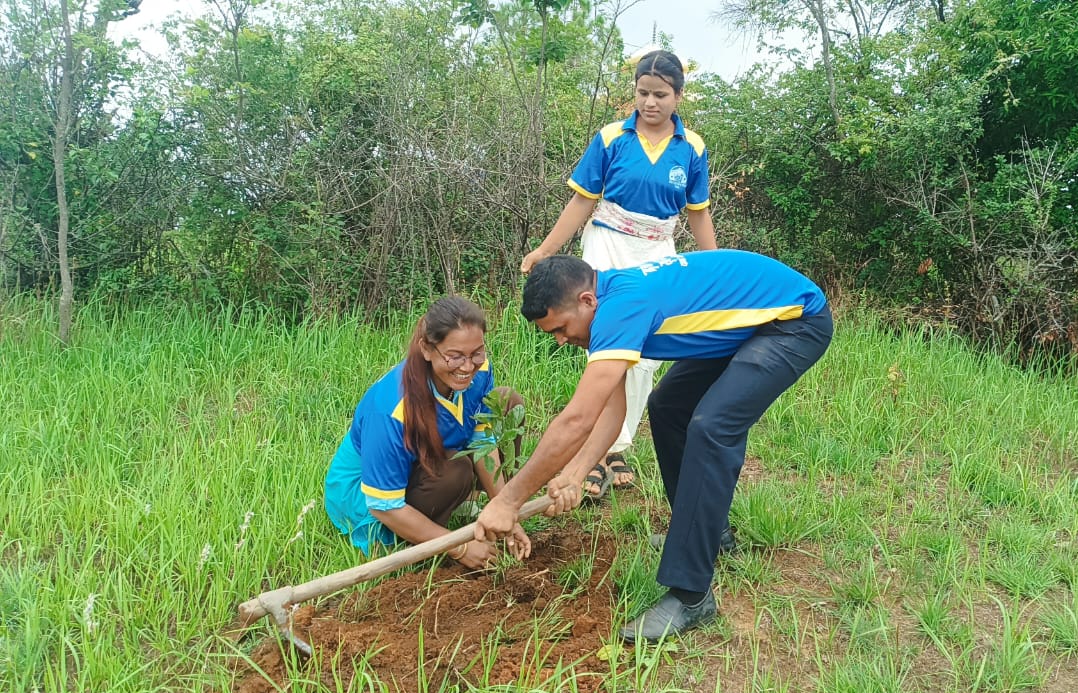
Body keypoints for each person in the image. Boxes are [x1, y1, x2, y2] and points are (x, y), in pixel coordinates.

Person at [475, 250, 832, 642]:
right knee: (668, 407)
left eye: (560, 328)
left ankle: (692, 595)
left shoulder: (620, 309)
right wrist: (575, 473)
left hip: (793, 322)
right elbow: (612, 410)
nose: (560, 341)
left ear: (586, 300)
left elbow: (576, 420)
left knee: (711, 427)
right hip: (750, 323)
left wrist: (508, 501)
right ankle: (706, 536)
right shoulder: (605, 304)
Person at [520, 49, 717, 499]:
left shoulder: (692, 148)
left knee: (644, 355)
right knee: (607, 344)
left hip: (657, 250)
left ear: (678, 96)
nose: (650, 102)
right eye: (643, 93)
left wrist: (712, 268)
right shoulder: (612, 138)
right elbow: (582, 201)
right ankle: (595, 450)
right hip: (607, 244)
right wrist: (546, 249)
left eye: (660, 94)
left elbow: (698, 213)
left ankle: (618, 446)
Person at [323, 296, 532, 569]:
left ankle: (462, 505)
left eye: (476, 353)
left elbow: (482, 441)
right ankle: (417, 539)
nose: (467, 367)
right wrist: (459, 547)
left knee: (507, 402)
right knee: (455, 471)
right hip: (368, 499)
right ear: (427, 349)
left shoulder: (478, 371)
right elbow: (384, 506)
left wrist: (505, 508)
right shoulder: (390, 410)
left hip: (429, 461)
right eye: (454, 356)